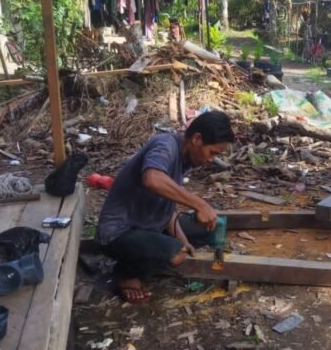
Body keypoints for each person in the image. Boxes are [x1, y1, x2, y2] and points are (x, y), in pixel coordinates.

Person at [96, 111, 234, 304]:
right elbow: (152, 178)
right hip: (118, 233)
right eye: (212, 153)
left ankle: (157, 251)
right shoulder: (165, 145)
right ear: (197, 138)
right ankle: (125, 273)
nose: (212, 159)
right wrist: (200, 204)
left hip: (147, 226)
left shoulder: (184, 161)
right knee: (174, 253)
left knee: (205, 230)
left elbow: (167, 209)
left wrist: (183, 240)